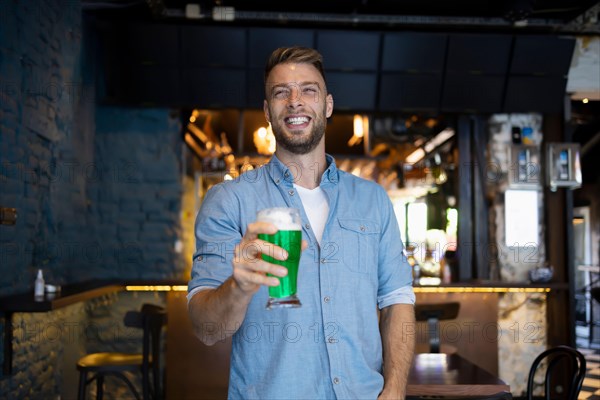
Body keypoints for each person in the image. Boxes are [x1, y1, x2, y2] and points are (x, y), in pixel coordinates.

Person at [188, 46, 415, 399]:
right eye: (281, 93)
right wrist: (239, 285)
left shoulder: (373, 200)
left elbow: (397, 299)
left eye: (308, 90)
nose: (295, 101)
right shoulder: (229, 200)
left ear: (327, 105)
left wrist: (396, 389)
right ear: (267, 111)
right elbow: (207, 329)